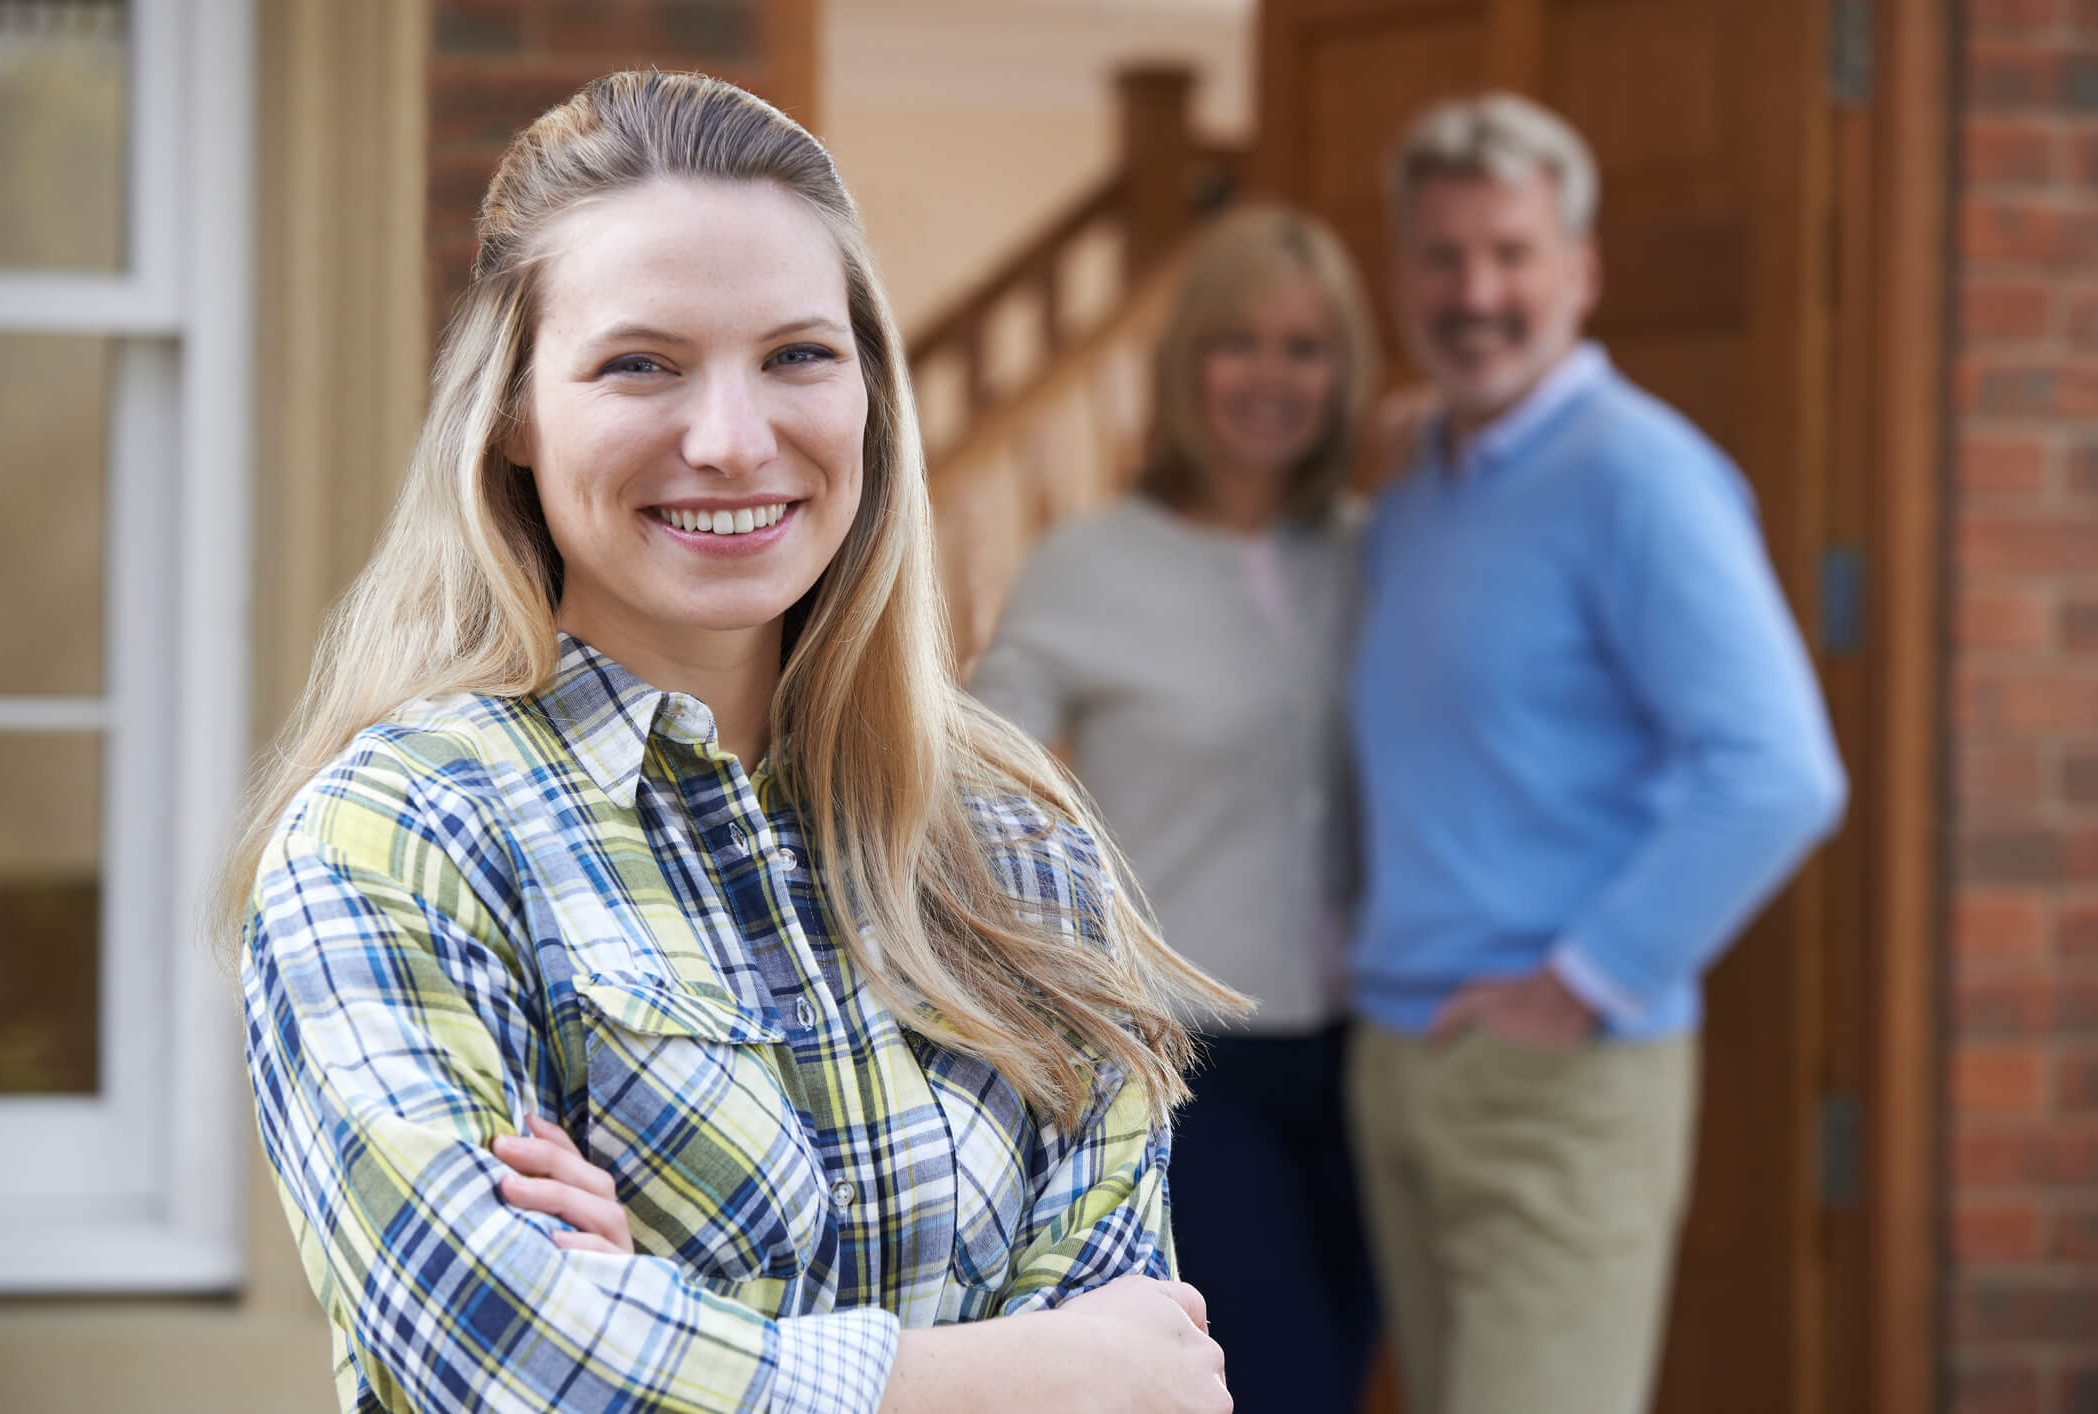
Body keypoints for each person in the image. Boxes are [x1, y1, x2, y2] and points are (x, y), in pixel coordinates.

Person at [223, 70, 1242, 1414]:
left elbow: (1138, 1387)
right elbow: (493, 1354)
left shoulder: (1020, 850)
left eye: (795, 356)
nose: (729, 437)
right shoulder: (400, 842)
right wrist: (1006, 1371)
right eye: (639, 363)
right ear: (515, 411)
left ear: (870, 394)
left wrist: (663, 1326)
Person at [1345, 94, 1849, 1414]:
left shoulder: (1640, 477)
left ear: (1580, 271)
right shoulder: (1419, 489)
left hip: (1550, 1079)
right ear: (1399, 275)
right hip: (1397, 1060)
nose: (1475, 291)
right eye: (1441, 257)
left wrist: (1576, 983)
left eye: (1511, 254)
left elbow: (1777, 771)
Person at [967, 204, 1383, 1414]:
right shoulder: (1090, 563)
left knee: (1343, 1375)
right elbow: (965, 767)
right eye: (1239, 341)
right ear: (1187, 361)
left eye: (1306, 348)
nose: (1272, 376)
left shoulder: (1374, 552)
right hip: (1192, 1065)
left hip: (1376, 1058)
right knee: (1270, 1385)